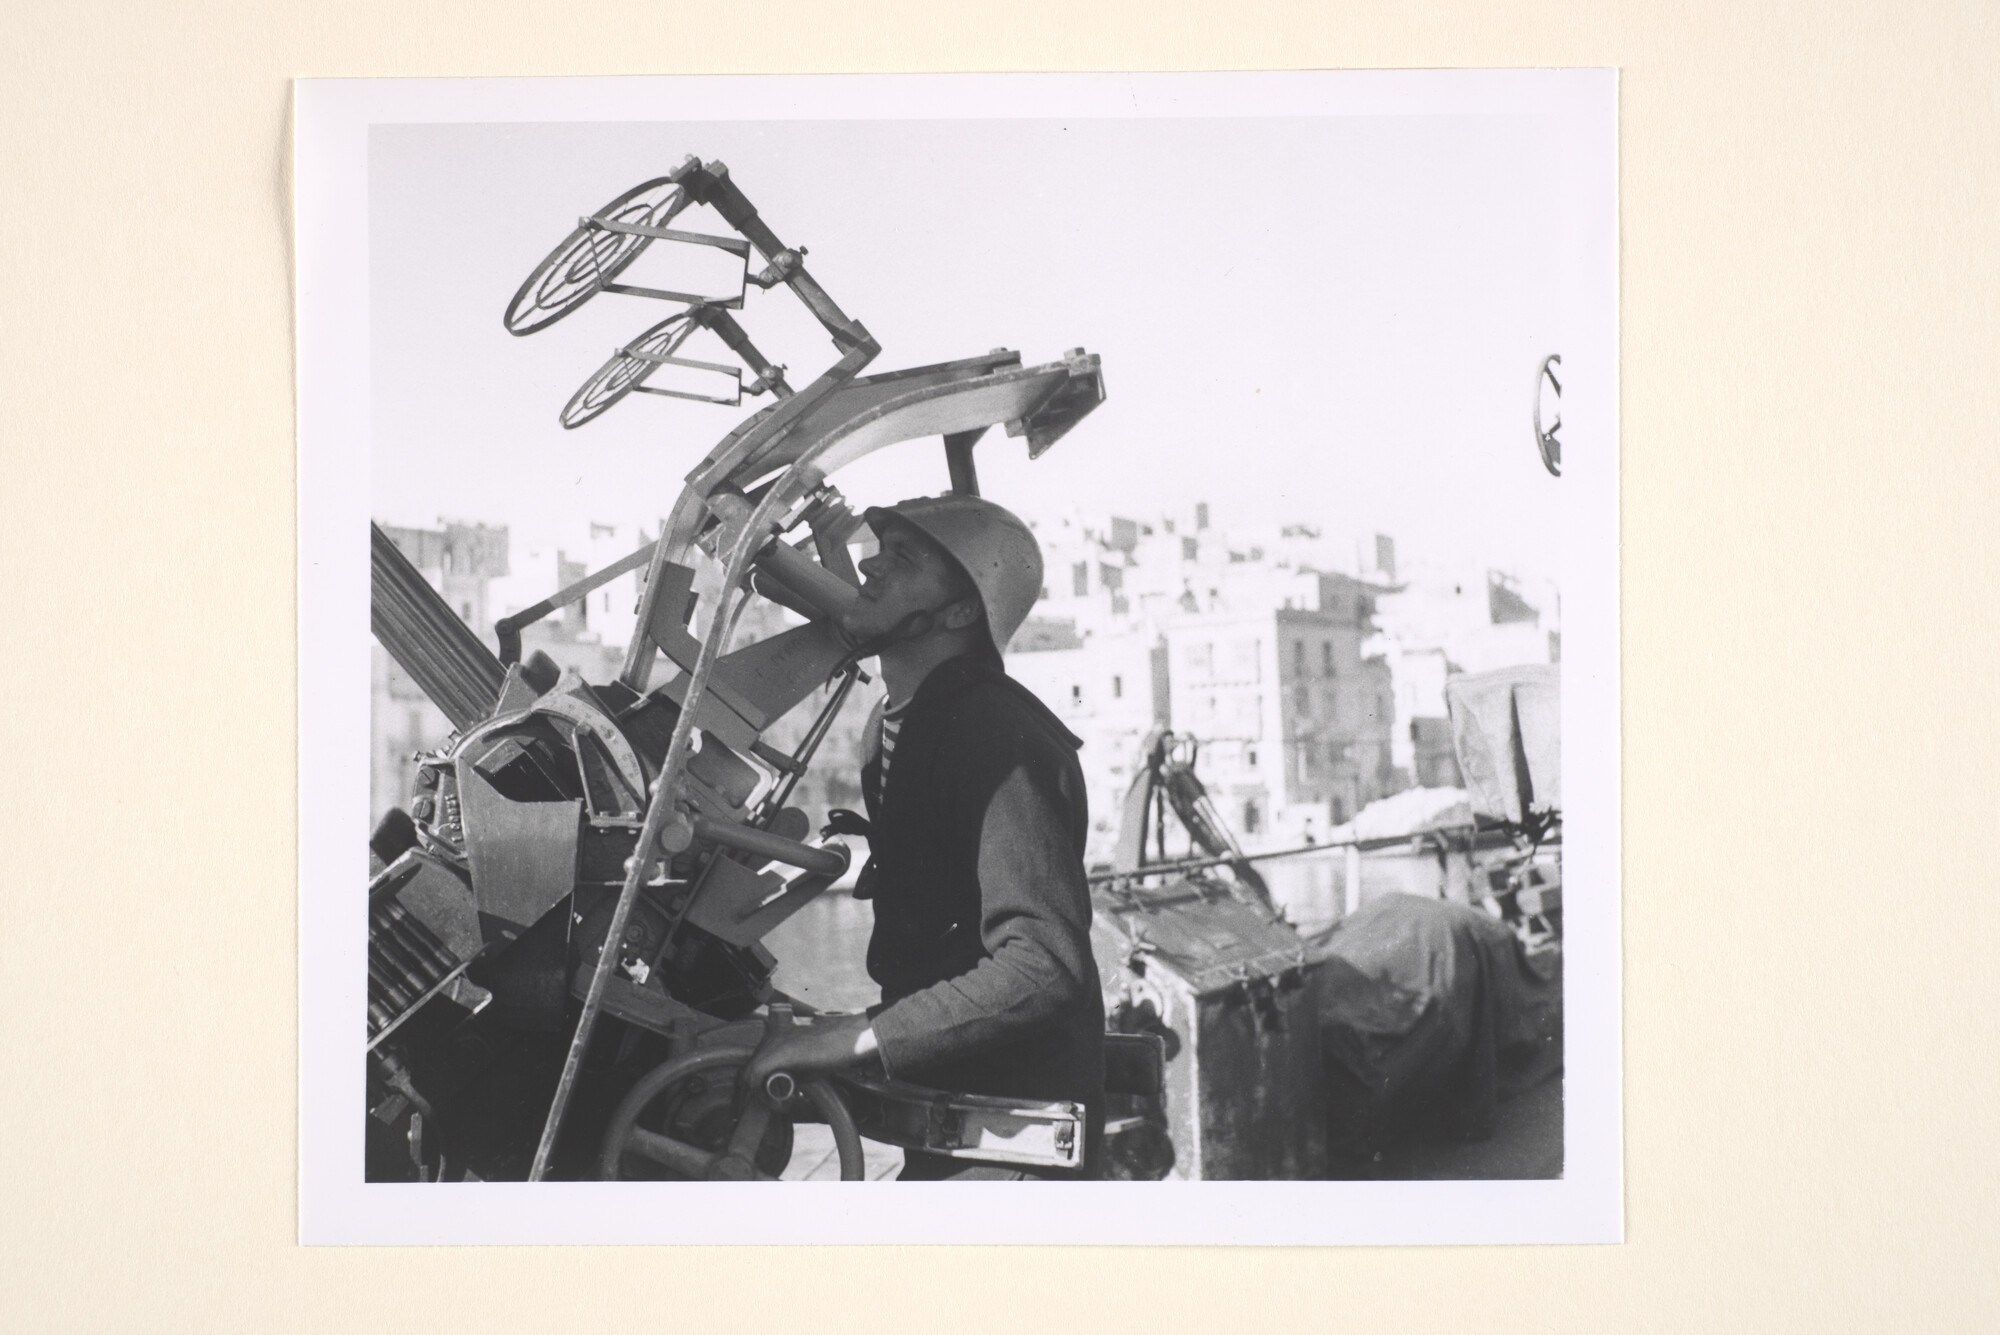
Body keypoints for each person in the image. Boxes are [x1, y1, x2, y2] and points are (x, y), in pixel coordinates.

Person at [742, 494, 1105, 1179]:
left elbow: (1042, 966)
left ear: (962, 610)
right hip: (948, 1131)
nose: (872, 566)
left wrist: (861, 1034)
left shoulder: (1000, 739)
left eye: (903, 558)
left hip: (1011, 1157)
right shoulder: (893, 726)